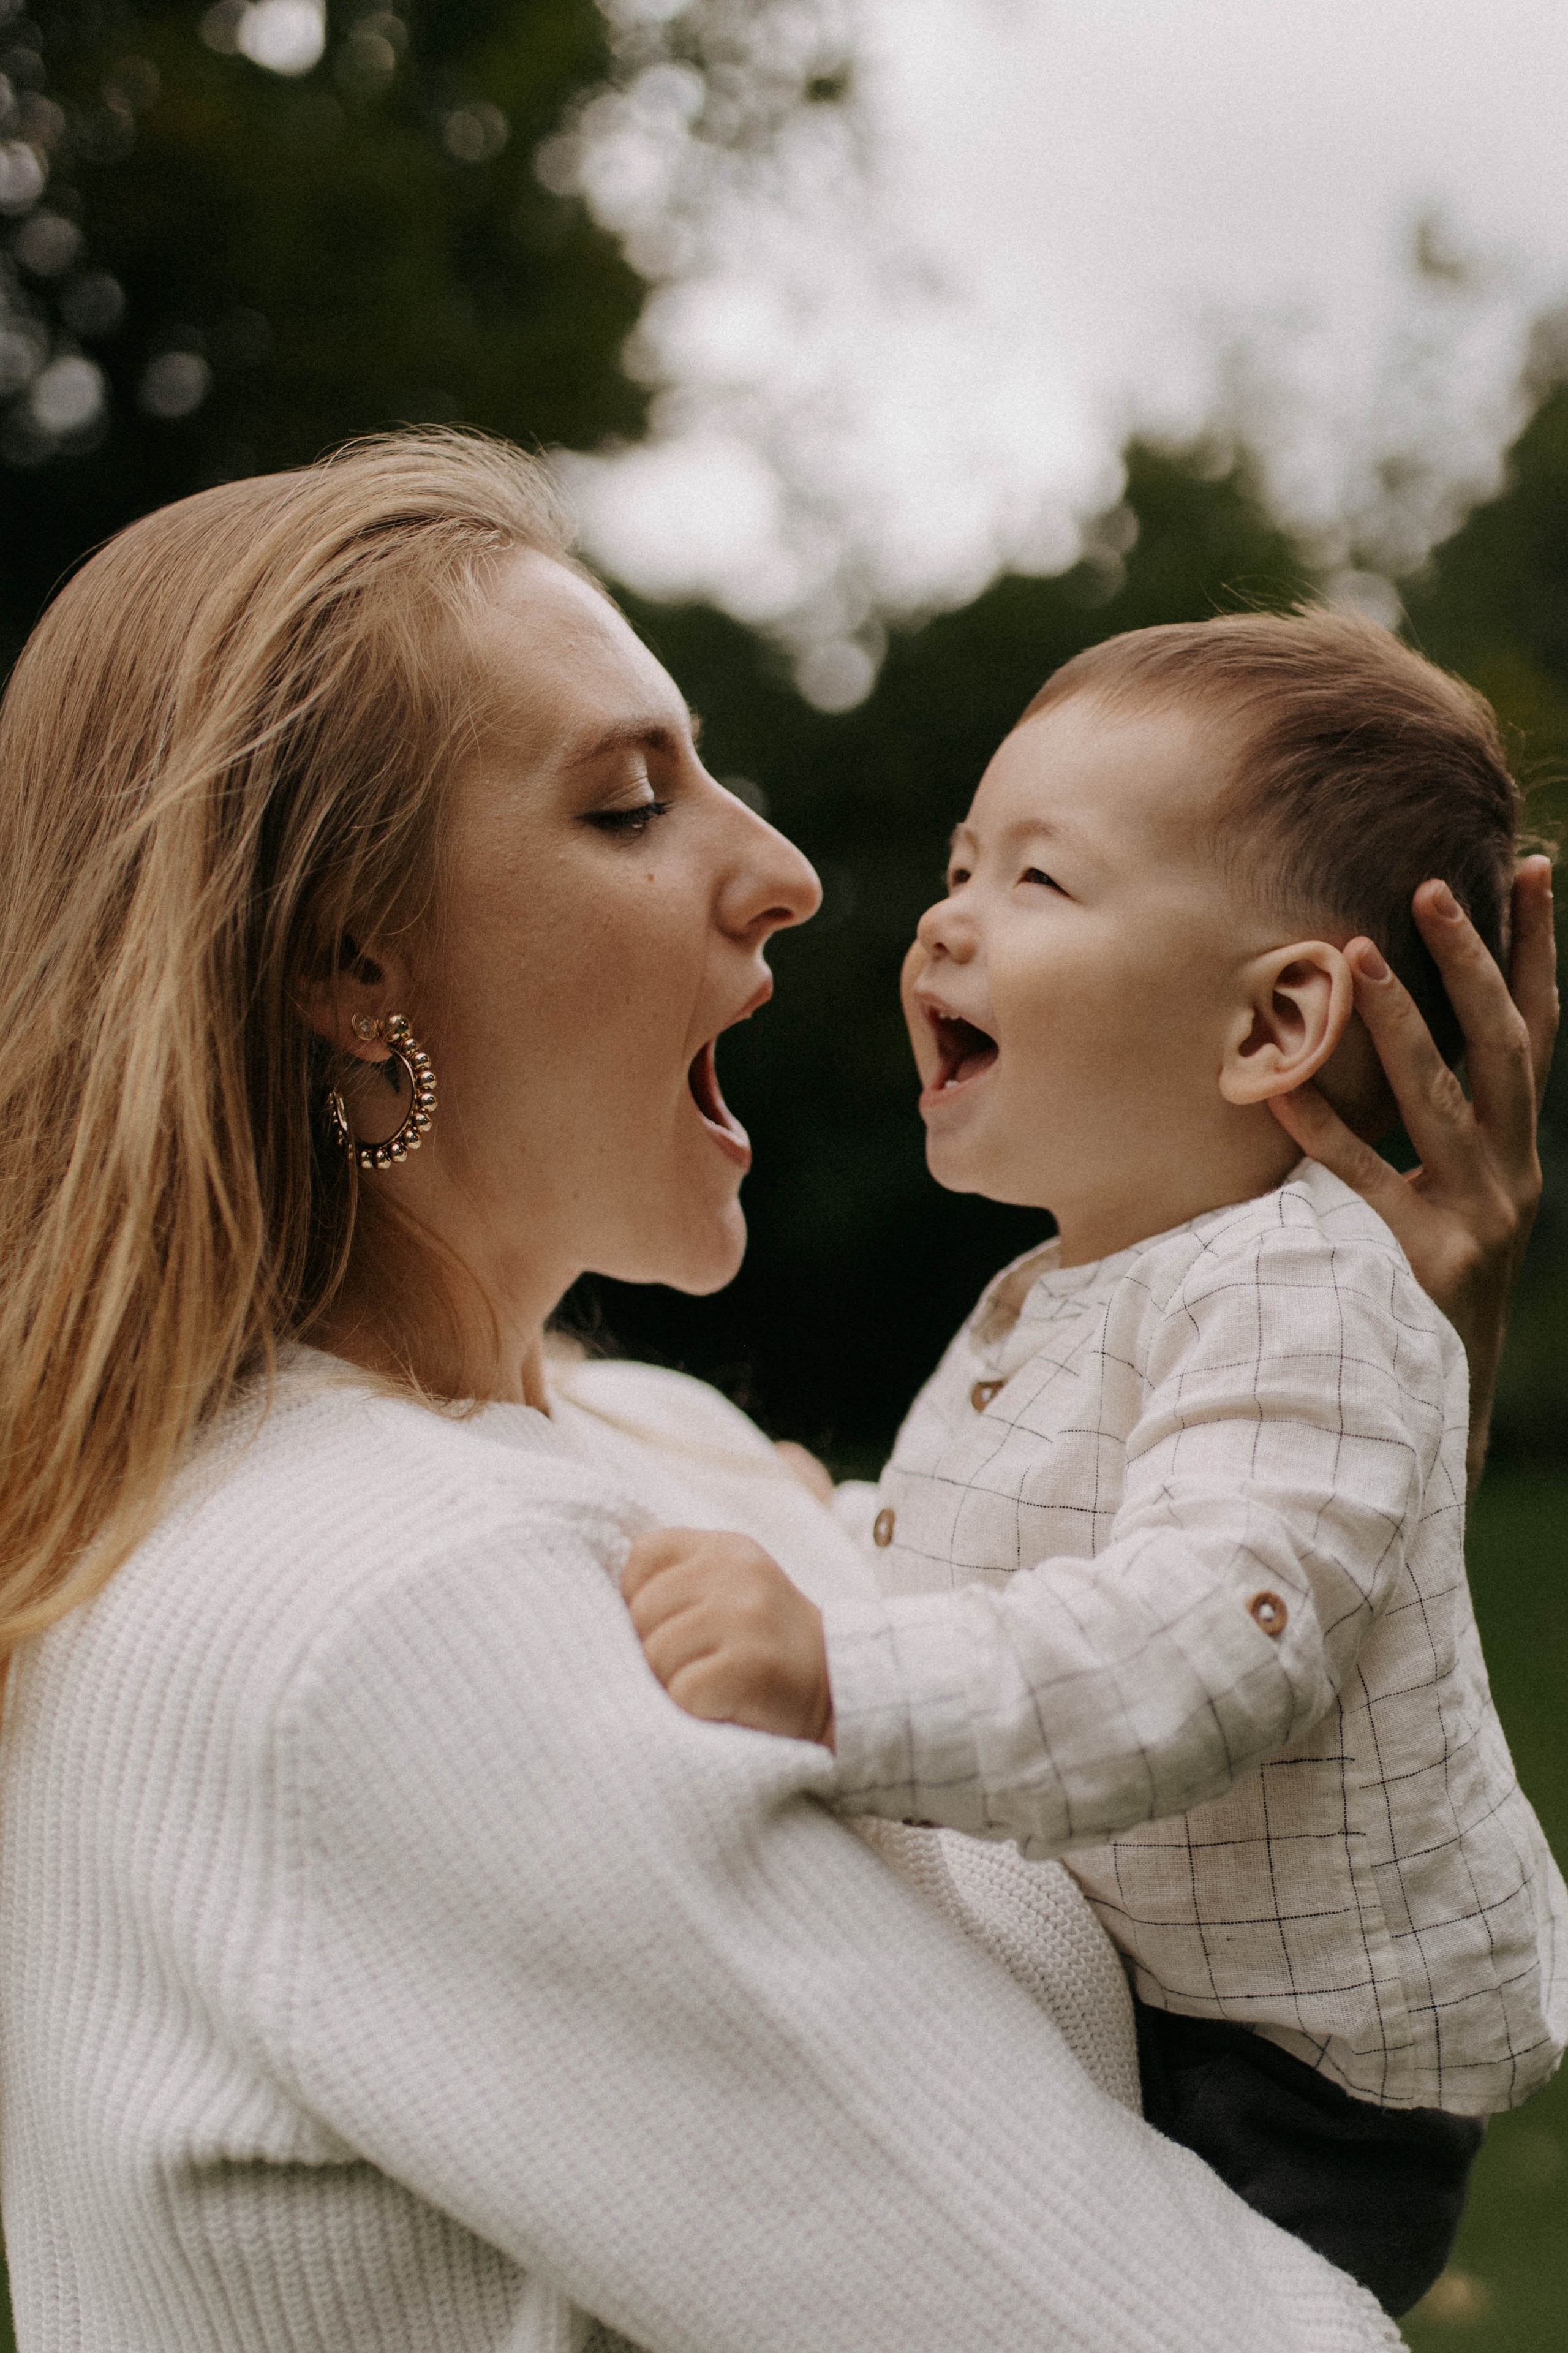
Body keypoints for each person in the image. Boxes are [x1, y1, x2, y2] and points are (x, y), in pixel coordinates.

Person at [0, 434, 1551, 2353]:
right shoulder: (389, 1615)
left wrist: (1364, 1375)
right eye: (633, 806)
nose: (796, 873)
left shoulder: (642, 1442)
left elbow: (1153, 1639)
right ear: (345, 955)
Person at [623, 610, 1567, 2318]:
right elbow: (1035, 1553)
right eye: (961, 862)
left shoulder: (1300, 1290)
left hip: (1286, 2084)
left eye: (1038, 884)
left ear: (1274, 1021)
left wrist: (838, 1667)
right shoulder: (1095, 1274)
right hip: (1175, 1996)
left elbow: (1198, 1636)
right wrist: (829, 1522)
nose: (944, 917)